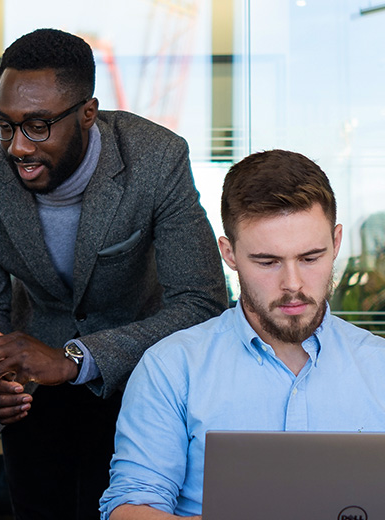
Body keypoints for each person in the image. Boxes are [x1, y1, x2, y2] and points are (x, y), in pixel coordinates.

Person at [0, 28, 227, 519]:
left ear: (88, 114)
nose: (16, 147)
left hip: (139, 380)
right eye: (5, 124)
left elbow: (202, 302)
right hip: (34, 394)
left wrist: (76, 359)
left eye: (38, 125)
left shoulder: (156, 158)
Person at [99, 149, 385, 519]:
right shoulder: (171, 368)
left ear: (337, 242)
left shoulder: (379, 366)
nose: (293, 284)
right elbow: (128, 509)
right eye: (268, 262)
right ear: (229, 253)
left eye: (310, 258)